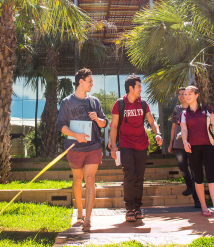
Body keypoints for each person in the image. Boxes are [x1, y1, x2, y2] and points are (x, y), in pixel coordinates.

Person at [57, 68, 108, 232]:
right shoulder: (66, 102)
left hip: (93, 147)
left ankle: (88, 218)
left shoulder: (94, 101)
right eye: (90, 81)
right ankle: (79, 209)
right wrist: (75, 135)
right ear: (81, 81)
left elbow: (104, 123)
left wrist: (97, 119)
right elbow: (61, 126)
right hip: (75, 148)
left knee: (91, 179)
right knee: (78, 180)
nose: (92, 84)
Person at [108, 74, 163, 222]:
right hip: (125, 144)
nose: (140, 89)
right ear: (131, 88)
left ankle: (138, 208)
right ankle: (129, 208)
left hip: (141, 144)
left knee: (139, 176)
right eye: (138, 86)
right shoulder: (119, 104)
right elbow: (113, 126)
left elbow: (151, 121)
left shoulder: (143, 104)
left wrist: (157, 133)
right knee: (129, 175)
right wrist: (113, 146)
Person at [180, 85, 214, 219]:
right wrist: (185, 142)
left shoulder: (207, 109)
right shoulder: (184, 113)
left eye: (189, 94)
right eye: (185, 94)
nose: (186, 96)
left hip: (208, 146)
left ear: (197, 95)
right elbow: (184, 129)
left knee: (211, 176)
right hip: (193, 148)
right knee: (198, 178)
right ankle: (204, 207)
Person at [168, 87, 201, 208]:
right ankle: (190, 186)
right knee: (182, 167)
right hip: (178, 145)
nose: (182, 96)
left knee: (194, 170)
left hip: (192, 144)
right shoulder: (176, 109)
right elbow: (173, 128)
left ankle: (197, 199)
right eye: (180, 94)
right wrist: (171, 143)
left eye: (184, 94)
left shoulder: (193, 109)